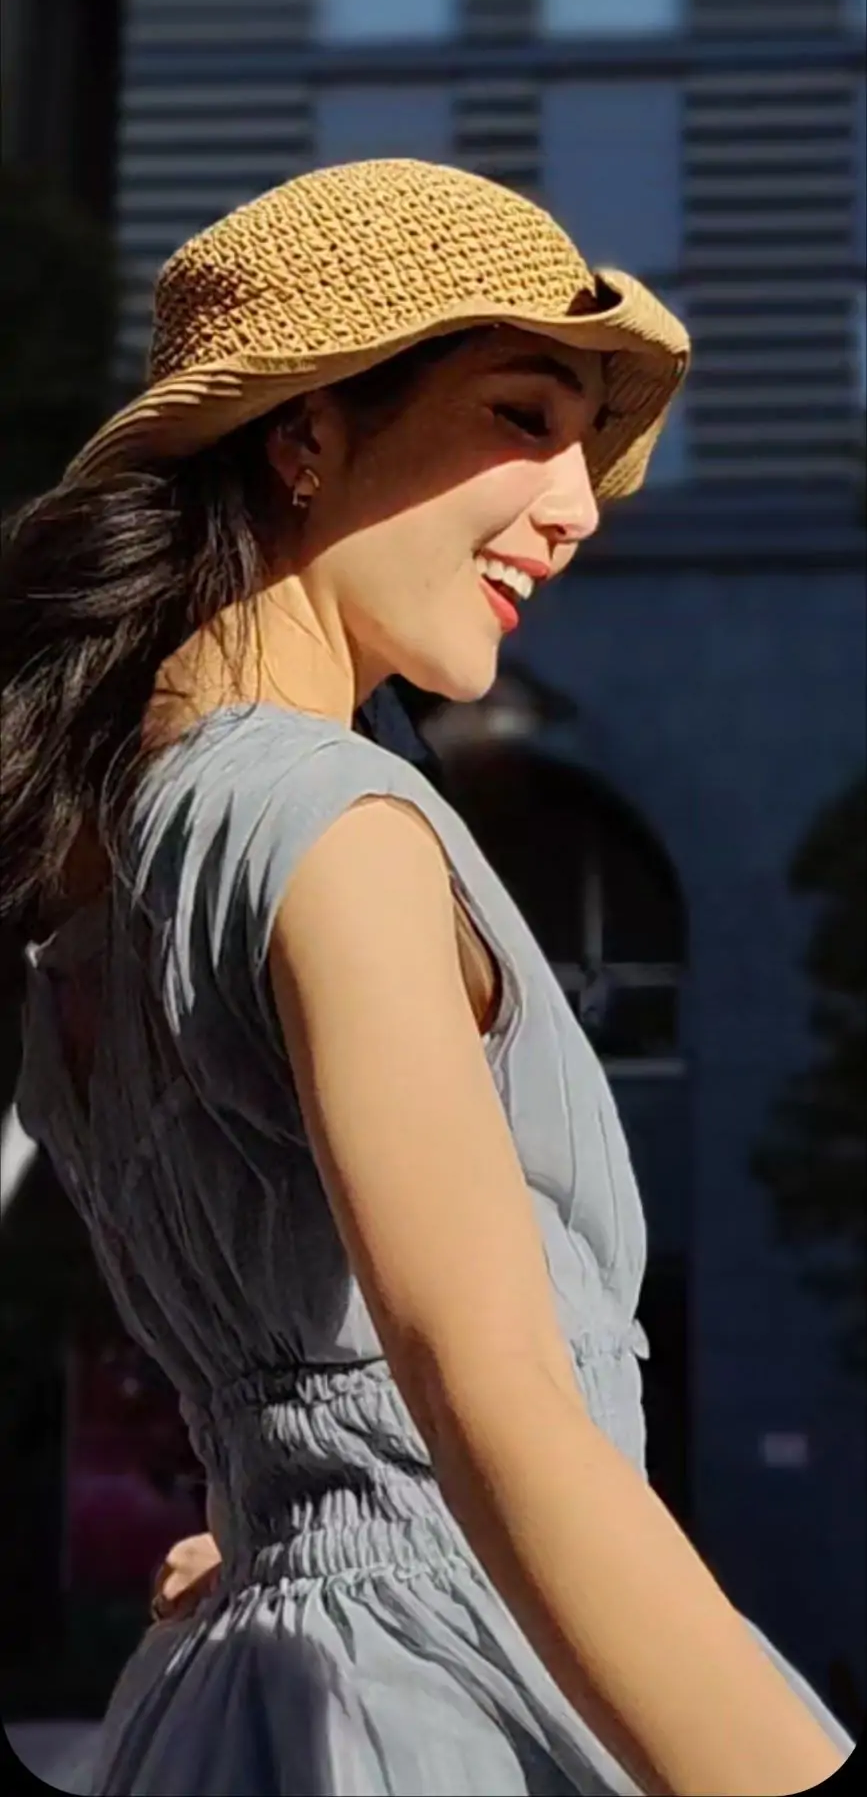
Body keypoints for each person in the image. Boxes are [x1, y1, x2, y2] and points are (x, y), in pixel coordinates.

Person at [0, 159, 852, 1795]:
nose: (578, 505)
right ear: (304, 436)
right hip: (451, 1696)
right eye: (522, 417)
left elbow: (313, 1370)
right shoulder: (328, 819)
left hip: (251, 1698)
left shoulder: (94, 884)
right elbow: (490, 1401)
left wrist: (293, 1512)